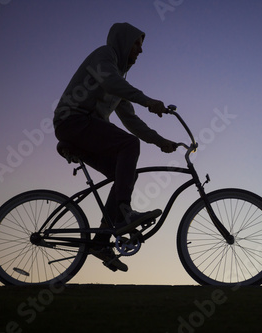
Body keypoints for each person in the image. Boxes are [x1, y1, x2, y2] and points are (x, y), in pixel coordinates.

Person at [53, 22, 176, 272]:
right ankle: (124, 214)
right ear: (124, 41)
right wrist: (148, 100)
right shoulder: (104, 55)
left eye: (142, 46)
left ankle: (100, 242)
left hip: (84, 127)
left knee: (126, 173)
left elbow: (130, 120)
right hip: (73, 119)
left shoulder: (119, 78)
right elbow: (111, 84)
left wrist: (160, 140)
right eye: (137, 44)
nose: (140, 50)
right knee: (129, 146)